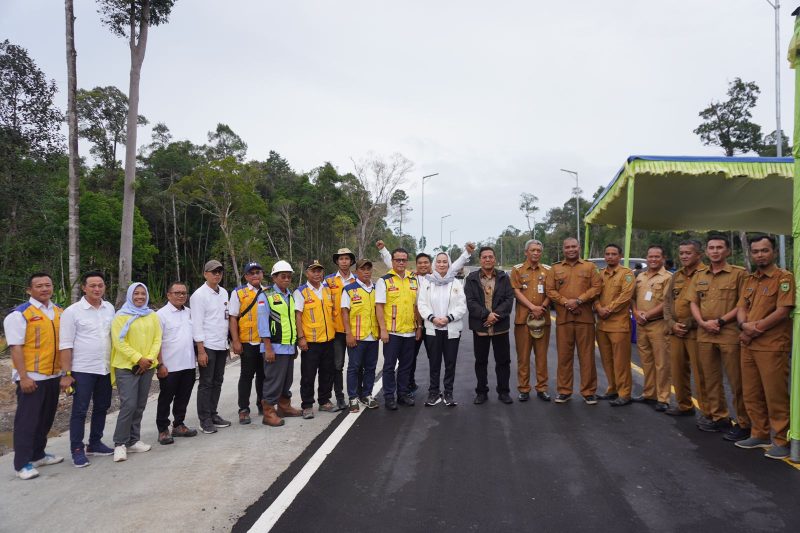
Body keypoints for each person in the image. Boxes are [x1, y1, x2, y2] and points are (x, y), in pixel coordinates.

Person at [378, 240, 475, 393]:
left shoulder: (437, 278)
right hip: (415, 325)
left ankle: (435, 388)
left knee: (434, 358)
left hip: (433, 325)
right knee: (410, 359)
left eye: (426, 263)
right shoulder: (410, 277)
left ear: (431, 264)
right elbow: (393, 264)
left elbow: (454, 266)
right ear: (415, 265)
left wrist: (467, 253)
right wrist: (383, 250)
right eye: (420, 263)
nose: (423, 265)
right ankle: (409, 384)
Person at [735, 235, 794, 459]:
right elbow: (741, 306)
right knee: (751, 392)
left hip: (771, 345)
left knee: (775, 395)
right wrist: (743, 325)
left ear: (774, 252)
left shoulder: (784, 278)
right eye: (756, 251)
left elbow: (782, 311)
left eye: (764, 250)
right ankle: (758, 433)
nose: (760, 254)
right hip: (748, 345)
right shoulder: (750, 280)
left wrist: (753, 329)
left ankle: (781, 440)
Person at [688, 235, 750, 441]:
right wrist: (703, 323)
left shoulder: (739, 274)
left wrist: (721, 321)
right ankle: (719, 417)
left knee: (736, 380)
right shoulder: (699, 275)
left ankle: (744, 422)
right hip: (704, 333)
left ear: (728, 251)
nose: (715, 251)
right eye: (711, 248)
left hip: (729, 332)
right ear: (706, 252)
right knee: (710, 378)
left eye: (719, 247)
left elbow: (743, 303)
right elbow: (693, 302)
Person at [5, 273, 64, 479]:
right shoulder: (19, 314)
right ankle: (22, 463)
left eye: (48, 285)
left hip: (53, 375)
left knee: (46, 418)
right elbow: (16, 348)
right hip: (32, 376)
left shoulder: (58, 311)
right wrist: (24, 377)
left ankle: (38, 454)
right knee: (27, 421)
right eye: (39, 286)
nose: (44, 289)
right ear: (29, 290)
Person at [59, 271, 116, 467]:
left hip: (105, 368)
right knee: (80, 410)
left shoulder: (109, 308)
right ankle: (77, 449)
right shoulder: (72, 312)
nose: (97, 289)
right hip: (82, 369)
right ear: (84, 287)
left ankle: (95, 443)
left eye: (100, 285)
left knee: (102, 407)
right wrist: (66, 374)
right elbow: (65, 345)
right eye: (92, 285)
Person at [545, 238, 602, 404]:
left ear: (579, 247)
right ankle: (564, 391)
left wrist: (578, 301)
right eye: (567, 247)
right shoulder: (555, 268)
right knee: (564, 356)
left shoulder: (590, 267)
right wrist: (566, 303)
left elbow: (596, 288)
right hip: (564, 319)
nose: (571, 249)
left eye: (574, 246)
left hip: (584, 318)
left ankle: (589, 392)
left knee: (587, 357)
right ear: (563, 249)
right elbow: (550, 290)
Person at [111, 282, 162, 463]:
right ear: (130, 296)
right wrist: (138, 358)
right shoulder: (120, 316)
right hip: (126, 367)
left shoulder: (152, 315)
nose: (139, 297)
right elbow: (119, 342)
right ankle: (120, 443)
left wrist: (148, 359)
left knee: (140, 404)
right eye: (136, 294)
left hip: (147, 366)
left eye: (142, 294)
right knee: (129, 404)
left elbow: (157, 339)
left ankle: (134, 439)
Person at [662, 240, 709, 417]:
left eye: (688, 253)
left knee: (701, 373)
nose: (684, 256)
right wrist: (672, 324)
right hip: (676, 330)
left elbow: (707, 304)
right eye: (681, 253)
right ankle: (684, 405)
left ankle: (707, 412)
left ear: (699, 254)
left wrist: (688, 323)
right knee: (677, 370)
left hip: (696, 331)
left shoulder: (706, 274)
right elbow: (667, 301)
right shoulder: (677, 275)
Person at [465, 246, 515, 405]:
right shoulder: (471, 278)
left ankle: (504, 392)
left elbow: (509, 299)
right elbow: (470, 302)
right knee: (481, 361)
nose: (487, 259)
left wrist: (495, 316)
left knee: (503, 361)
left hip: (500, 327)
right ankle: (481, 392)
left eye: (490, 257)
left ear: (495, 259)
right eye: (484, 257)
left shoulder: (503, 277)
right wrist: (487, 315)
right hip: (481, 327)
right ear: (480, 260)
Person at [417, 252, 467, 406]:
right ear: (434, 264)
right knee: (434, 363)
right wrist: (432, 318)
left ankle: (449, 393)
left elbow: (461, 306)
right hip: (433, 329)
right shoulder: (427, 282)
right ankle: (433, 393)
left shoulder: (456, 283)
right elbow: (422, 304)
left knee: (450, 363)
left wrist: (448, 318)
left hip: (451, 329)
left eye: (445, 262)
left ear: (449, 264)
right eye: (438, 261)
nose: (441, 264)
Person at [257, 260, 302, 426]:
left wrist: (295, 344)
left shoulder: (290, 295)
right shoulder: (266, 296)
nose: (287, 279)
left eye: (289, 276)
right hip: (274, 347)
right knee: (274, 381)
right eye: (283, 276)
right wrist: (268, 347)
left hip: (288, 346)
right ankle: (268, 412)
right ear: (274, 277)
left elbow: (291, 321)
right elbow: (262, 323)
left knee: (286, 380)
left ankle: (284, 406)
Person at [376, 247, 422, 410]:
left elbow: (416, 306)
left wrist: (418, 327)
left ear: (407, 261)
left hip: (409, 331)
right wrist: (383, 330)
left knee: (406, 366)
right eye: (398, 260)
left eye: (404, 260)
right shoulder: (385, 280)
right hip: (392, 332)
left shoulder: (413, 280)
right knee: (389, 366)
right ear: (393, 261)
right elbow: (379, 307)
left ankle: (402, 394)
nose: (401, 262)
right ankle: (389, 396)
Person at [155, 281, 198, 445]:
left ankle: (178, 424)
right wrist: (160, 365)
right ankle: (163, 429)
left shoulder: (189, 313)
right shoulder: (160, 315)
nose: (181, 295)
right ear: (168, 295)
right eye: (177, 293)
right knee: (166, 398)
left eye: (184, 293)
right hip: (169, 366)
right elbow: (156, 341)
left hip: (187, 364)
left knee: (183, 397)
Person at [191, 259, 231, 435]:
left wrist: (227, 343)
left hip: (221, 344)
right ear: (205, 274)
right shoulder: (199, 295)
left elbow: (225, 319)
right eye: (213, 271)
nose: (217, 275)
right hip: (207, 345)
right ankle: (204, 419)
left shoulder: (223, 293)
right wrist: (200, 350)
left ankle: (213, 413)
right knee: (206, 383)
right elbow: (197, 324)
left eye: (220, 272)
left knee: (218, 381)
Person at [632, 245, 673, 411]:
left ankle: (663, 398)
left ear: (663, 258)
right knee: (646, 362)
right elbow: (633, 298)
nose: (653, 259)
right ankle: (649, 393)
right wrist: (636, 313)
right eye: (650, 256)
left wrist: (647, 315)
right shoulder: (640, 276)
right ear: (646, 258)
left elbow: (667, 302)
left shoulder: (668, 277)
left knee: (662, 363)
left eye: (657, 257)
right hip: (642, 325)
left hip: (658, 324)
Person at [593, 244, 635, 407]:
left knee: (621, 361)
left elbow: (626, 296)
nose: (610, 256)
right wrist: (598, 308)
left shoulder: (627, 274)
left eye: (613, 254)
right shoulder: (600, 274)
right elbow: (595, 293)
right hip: (602, 324)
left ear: (620, 256)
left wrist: (608, 309)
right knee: (607, 359)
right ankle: (612, 389)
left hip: (619, 324)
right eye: (607, 254)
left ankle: (625, 393)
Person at [294, 259, 337, 419]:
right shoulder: (301, 292)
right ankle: (307, 405)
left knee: (327, 372)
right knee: (308, 375)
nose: (317, 274)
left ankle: (324, 401)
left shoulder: (327, 290)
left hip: (328, 340)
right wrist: (301, 338)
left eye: (319, 271)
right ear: (307, 273)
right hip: (311, 342)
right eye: (314, 271)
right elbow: (298, 316)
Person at [510, 239, 551, 402]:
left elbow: (551, 292)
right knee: (523, 355)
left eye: (538, 251)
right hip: (523, 320)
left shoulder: (548, 270)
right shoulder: (517, 270)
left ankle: (542, 388)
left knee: (541, 356)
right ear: (526, 252)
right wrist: (532, 307)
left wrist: (542, 307)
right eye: (532, 250)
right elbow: (516, 292)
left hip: (542, 318)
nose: (535, 253)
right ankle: (524, 388)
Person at [340, 259, 380, 412]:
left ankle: (367, 395)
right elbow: (345, 312)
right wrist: (348, 334)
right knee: (354, 368)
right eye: (363, 269)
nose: (366, 272)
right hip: (356, 336)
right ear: (357, 271)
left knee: (370, 367)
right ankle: (353, 397)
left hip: (373, 335)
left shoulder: (377, 288)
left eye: (369, 269)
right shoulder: (349, 289)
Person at [230, 261, 266, 425]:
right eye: (251, 273)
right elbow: (233, 318)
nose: (255, 275)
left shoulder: (268, 291)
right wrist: (235, 341)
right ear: (246, 276)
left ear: (262, 275)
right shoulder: (238, 293)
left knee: (263, 376)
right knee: (246, 376)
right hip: (247, 342)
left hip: (264, 342)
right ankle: (243, 409)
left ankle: (263, 404)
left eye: (258, 272)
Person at [324, 248, 357, 411]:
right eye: (341, 258)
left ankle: (356, 395)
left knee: (356, 364)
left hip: (354, 330)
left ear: (351, 261)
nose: (344, 261)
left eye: (347, 258)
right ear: (337, 261)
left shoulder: (357, 280)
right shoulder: (328, 281)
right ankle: (340, 397)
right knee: (337, 365)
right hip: (336, 331)